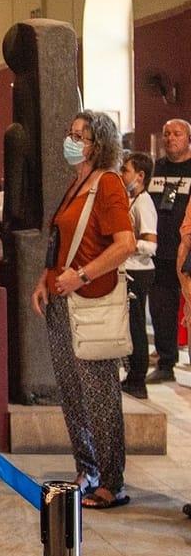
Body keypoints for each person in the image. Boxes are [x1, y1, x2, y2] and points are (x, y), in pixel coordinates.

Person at [31, 111, 135, 509]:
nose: (72, 140)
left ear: (99, 144)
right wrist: (45, 277)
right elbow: (60, 239)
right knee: (72, 392)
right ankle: (86, 467)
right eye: (70, 133)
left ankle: (112, 480)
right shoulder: (76, 183)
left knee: (99, 393)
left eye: (81, 135)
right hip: (62, 299)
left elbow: (124, 244)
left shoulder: (107, 184)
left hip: (89, 300)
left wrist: (82, 276)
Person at [146, 119, 191, 382]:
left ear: (188, 139)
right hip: (160, 252)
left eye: (177, 134)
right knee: (161, 309)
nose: (170, 138)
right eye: (166, 134)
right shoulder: (156, 168)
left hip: (187, 254)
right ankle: (166, 363)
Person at [120, 152, 157, 399]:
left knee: (136, 326)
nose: (122, 174)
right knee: (130, 326)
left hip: (139, 271)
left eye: (126, 170)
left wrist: (127, 244)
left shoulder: (144, 203)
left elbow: (151, 244)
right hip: (129, 269)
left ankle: (138, 379)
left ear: (140, 176)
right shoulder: (132, 200)